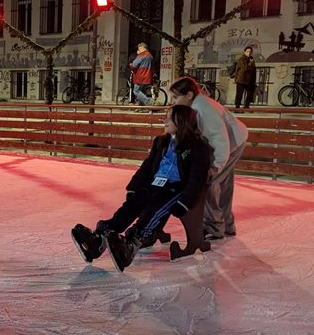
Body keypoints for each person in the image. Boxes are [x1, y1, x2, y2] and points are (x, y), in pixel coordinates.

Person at [71, 105, 211, 271]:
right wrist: (134, 186)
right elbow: (147, 166)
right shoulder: (162, 141)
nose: (165, 121)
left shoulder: (197, 147)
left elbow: (197, 178)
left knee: (155, 209)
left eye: (170, 117)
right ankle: (99, 239)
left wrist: (185, 202)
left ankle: (132, 243)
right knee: (133, 203)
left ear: (182, 122)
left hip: (175, 188)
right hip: (155, 183)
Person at [169, 76, 248, 241]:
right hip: (233, 141)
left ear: (189, 95)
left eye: (176, 97)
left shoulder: (202, 108)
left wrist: (216, 165)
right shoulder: (198, 104)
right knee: (223, 184)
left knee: (210, 182)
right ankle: (226, 225)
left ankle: (214, 227)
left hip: (230, 144)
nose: (174, 102)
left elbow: (219, 138)